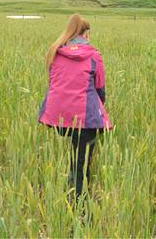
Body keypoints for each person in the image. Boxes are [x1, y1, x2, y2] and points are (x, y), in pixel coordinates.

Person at [38, 13, 113, 199]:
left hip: (57, 116)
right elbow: (100, 89)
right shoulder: (94, 56)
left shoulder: (55, 52)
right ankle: (80, 200)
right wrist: (99, 110)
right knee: (82, 161)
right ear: (86, 34)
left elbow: (54, 84)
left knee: (75, 144)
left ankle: (70, 187)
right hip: (84, 118)